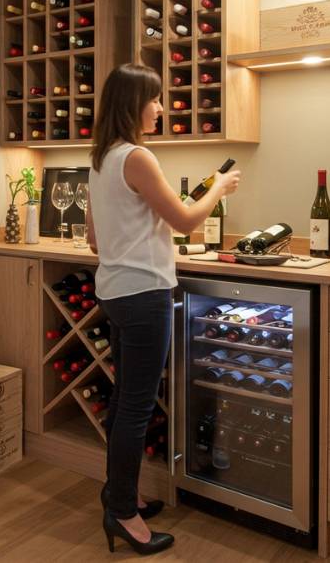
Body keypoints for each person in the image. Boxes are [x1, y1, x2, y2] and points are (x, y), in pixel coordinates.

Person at [84, 63, 240, 555]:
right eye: (154, 99)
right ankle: (123, 514)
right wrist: (219, 188)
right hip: (145, 294)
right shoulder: (138, 157)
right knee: (135, 406)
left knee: (123, 401)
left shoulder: (100, 158)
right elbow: (187, 220)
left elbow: (93, 240)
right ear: (134, 104)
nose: (160, 107)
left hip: (114, 290)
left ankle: (118, 494)